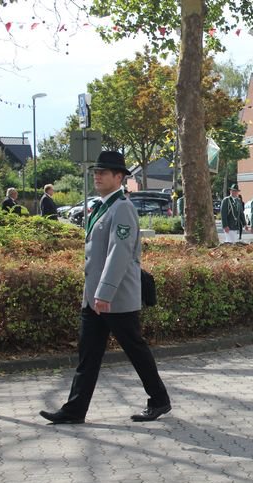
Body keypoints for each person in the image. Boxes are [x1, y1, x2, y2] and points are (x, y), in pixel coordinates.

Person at [39, 151, 171, 425]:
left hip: (114, 298)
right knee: (88, 356)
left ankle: (159, 400)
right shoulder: (102, 206)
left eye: (103, 172)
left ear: (119, 177)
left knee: (135, 350)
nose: (97, 176)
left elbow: (119, 253)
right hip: (94, 298)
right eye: (96, 172)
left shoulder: (122, 207)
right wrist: (95, 294)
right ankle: (75, 410)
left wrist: (105, 292)